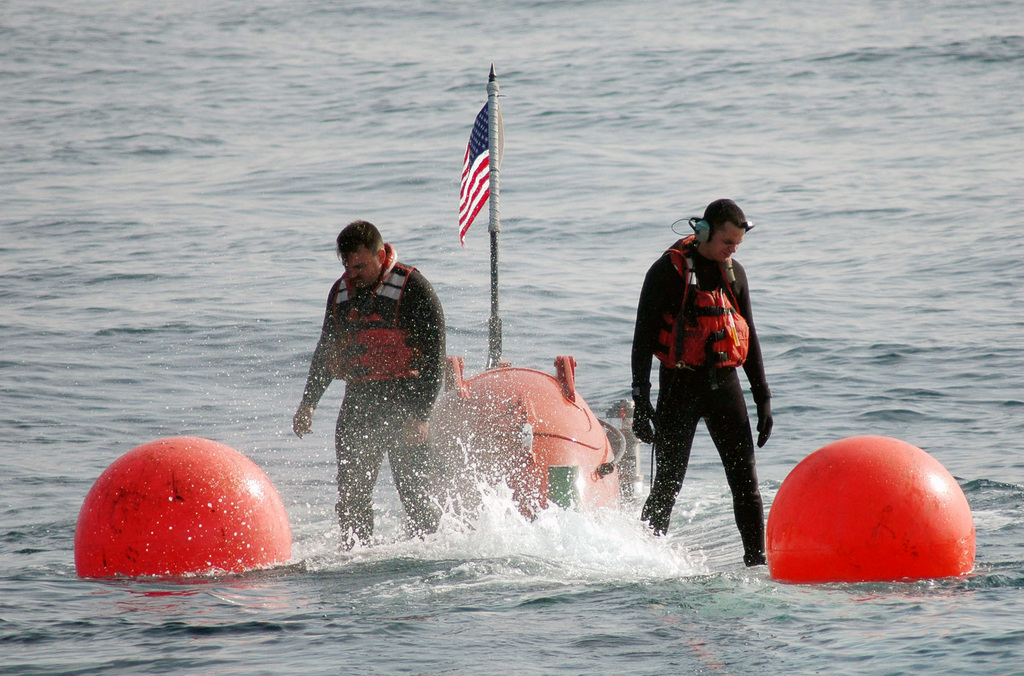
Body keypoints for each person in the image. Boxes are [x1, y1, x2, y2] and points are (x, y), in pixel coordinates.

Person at [630, 198, 773, 566]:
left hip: (725, 387)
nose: (733, 249)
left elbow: (749, 335)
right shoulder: (666, 272)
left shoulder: (734, 273)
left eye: (738, 243)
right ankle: (642, 560)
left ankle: (757, 565)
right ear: (705, 231)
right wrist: (641, 402)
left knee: (746, 487)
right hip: (680, 387)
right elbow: (642, 340)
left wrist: (762, 398)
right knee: (668, 484)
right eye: (728, 242)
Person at [293, 220, 446, 549]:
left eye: (360, 266)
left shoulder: (414, 288)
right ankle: (355, 555)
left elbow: (435, 356)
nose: (353, 273)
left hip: (406, 404)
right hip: (360, 403)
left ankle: (429, 553)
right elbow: (327, 351)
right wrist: (309, 403)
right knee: (351, 496)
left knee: (416, 495)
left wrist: (422, 415)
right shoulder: (341, 292)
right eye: (347, 266)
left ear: (380, 255)